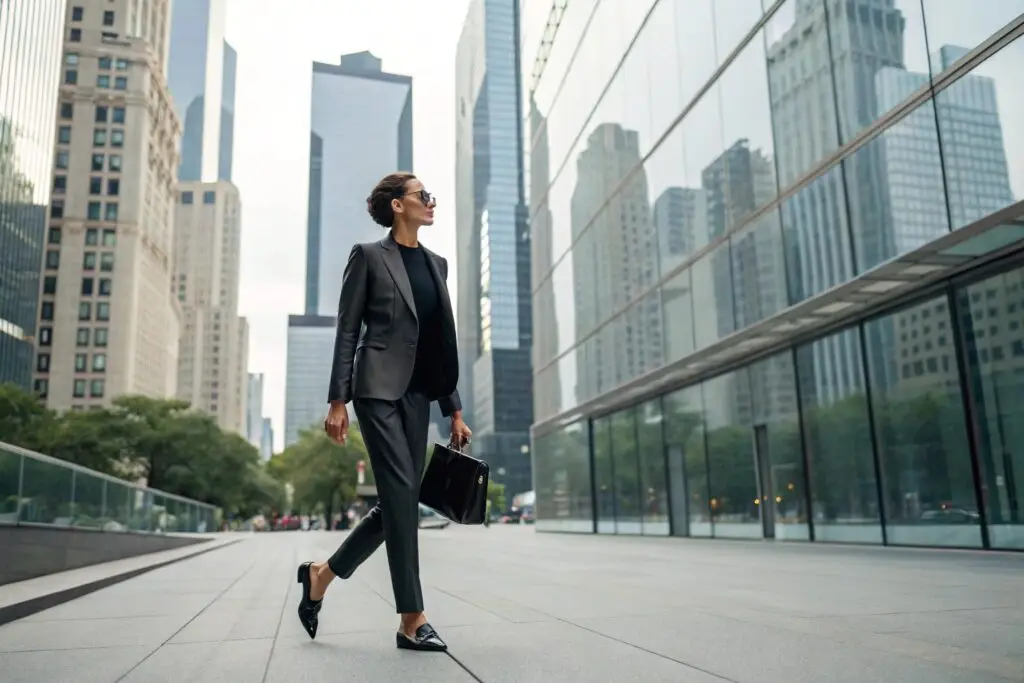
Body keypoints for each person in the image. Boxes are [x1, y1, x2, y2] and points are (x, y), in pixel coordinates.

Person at [295, 172, 471, 653]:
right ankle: (412, 618)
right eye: (422, 196)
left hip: (418, 396)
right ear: (397, 206)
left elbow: (439, 342)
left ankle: (320, 576)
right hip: (377, 391)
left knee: (398, 501)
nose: (430, 202)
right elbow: (348, 330)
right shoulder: (369, 256)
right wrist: (338, 400)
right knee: (399, 496)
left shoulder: (438, 264)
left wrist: (452, 409)